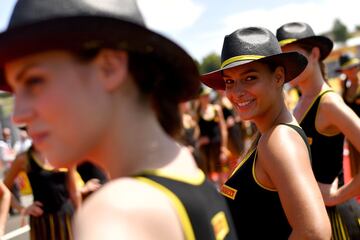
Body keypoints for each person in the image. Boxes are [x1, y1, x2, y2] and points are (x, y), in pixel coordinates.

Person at [0, 0, 238, 239]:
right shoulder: (188, 171)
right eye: (15, 90)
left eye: (33, 81)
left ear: (109, 67)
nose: (18, 114)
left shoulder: (115, 214)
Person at [201, 26, 331, 239]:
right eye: (229, 82)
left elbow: (314, 233)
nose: (236, 92)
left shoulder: (278, 140)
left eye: (250, 78)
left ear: (278, 77)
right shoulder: (269, 135)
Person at [276, 21, 360, 239]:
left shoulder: (328, 103)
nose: (288, 66)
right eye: (283, 60)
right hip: (309, 219)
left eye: (294, 56)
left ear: (314, 54)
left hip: (336, 220)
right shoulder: (299, 102)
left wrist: (338, 195)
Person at [4, 145, 79, 239]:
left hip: (66, 216)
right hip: (42, 220)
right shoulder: (24, 158)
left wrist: (80, 216)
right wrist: (22, 209)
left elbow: (74, 191)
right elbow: (4, 188)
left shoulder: (65, 153)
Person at [336, 53, 360, 178]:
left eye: (355, 66)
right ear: (343, 71)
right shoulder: (344, 86)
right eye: (349, 68)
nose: (353, 70)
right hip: (352, 133)